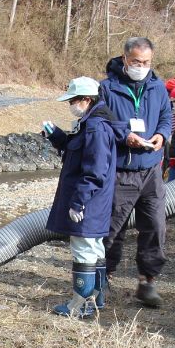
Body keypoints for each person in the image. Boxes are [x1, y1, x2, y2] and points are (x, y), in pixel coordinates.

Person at [97, 36, 173, 309]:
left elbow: (166, 116)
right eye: (136, 62)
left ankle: (147, 282)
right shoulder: (107, 88)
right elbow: (99, 120)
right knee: (111, 228)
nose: (142, 67)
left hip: (151, 168)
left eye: (147, 62)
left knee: (154, 226)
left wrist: (162, 135)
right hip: (121, 169)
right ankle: (101, 278)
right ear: (125, 59)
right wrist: (124, 134)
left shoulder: (158, 87)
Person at [42, 77, 126, 317]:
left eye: (73, 100)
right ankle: (96, 299)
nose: (71, 104)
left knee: (84, 248)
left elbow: (95, 170)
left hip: (89, 202)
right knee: (95, 247)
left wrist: (79, 201)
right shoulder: (93, 123)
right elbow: (78, 152)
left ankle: (81, 304)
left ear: (87, 100)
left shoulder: (96, 127)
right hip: (95, 202)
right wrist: (57, 136)